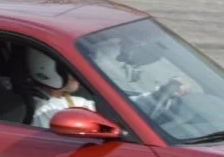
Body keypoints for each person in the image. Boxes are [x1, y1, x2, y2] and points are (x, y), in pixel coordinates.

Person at [26, 48, 191, 129]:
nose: (78, 74)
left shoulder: (69, 101)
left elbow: (119, 111)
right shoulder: (47, 111)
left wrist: (160, 94)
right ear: (46, 68)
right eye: (70, 69)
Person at [27, 48, 97, 128]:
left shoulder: (72, 100)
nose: (77, 72)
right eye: (69, 68)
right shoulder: (45, 111)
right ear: (46, 68)